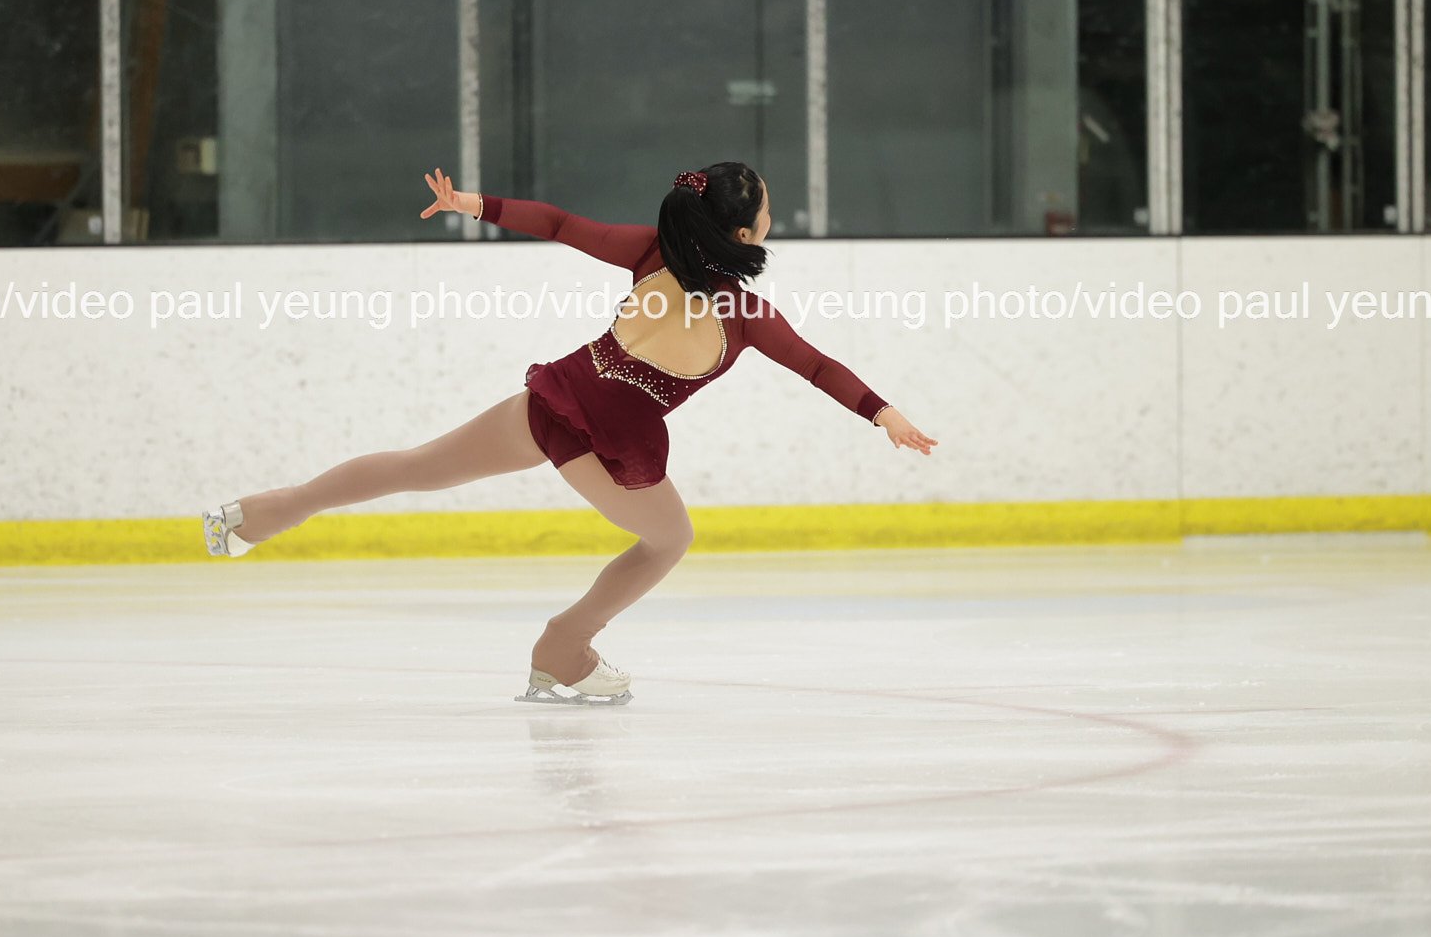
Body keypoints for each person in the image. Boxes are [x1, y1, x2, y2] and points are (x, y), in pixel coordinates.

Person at [202, 162, 936, 706]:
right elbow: (816, 366)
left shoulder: (650, 251)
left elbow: (557, 223)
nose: (773, 214)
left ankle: (258, 514)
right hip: (606, 446)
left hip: (555, 398)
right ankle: (564, 647)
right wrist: (884, 413)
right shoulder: (746, 317)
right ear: (744, 235)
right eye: (768, 208)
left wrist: (472, 204)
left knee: (417, 465)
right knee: (669, 540)